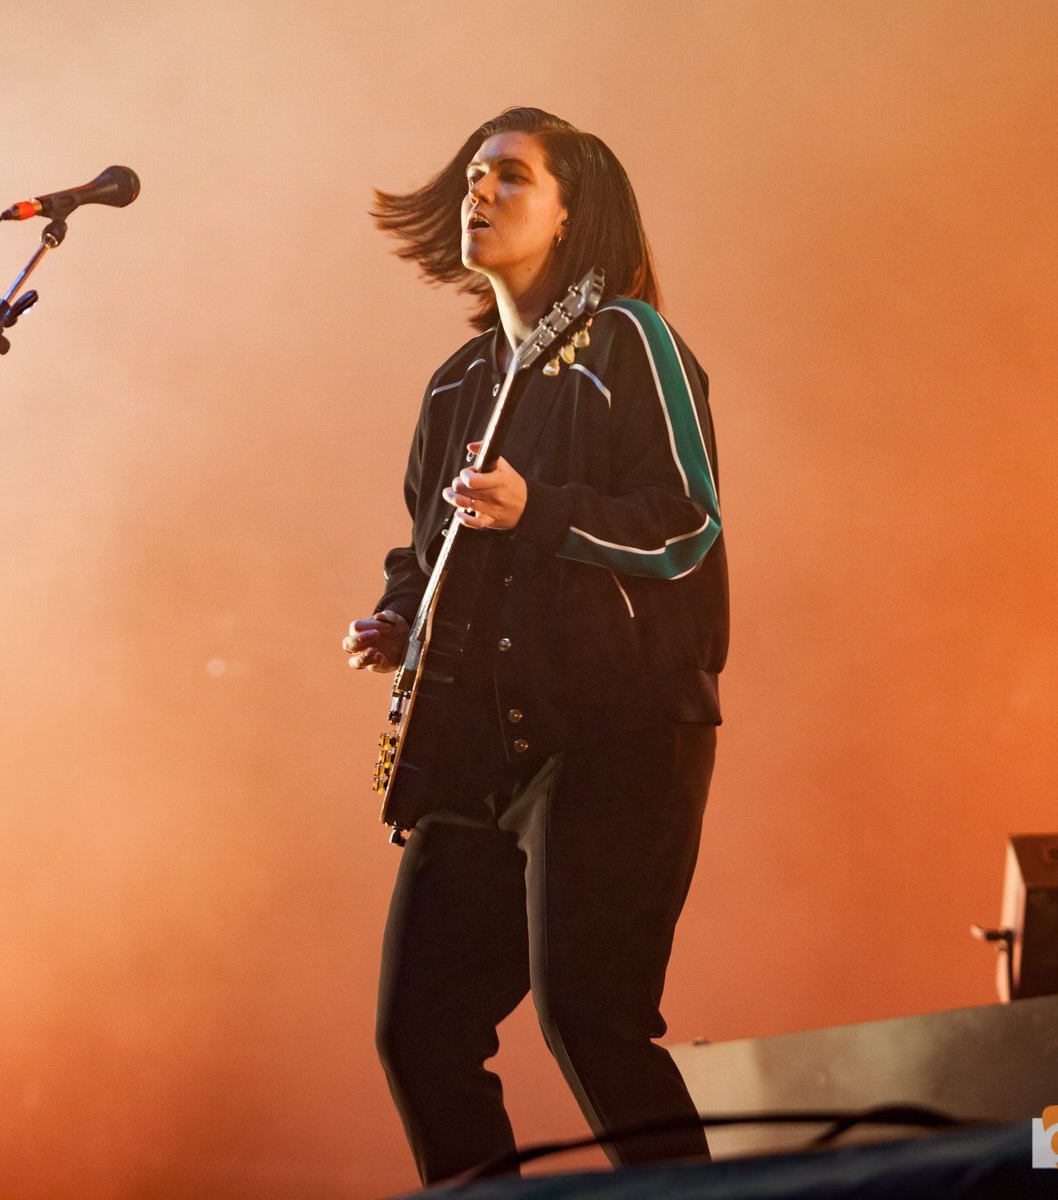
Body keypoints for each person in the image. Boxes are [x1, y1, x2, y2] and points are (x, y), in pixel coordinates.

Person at [342, 106, 728, 1186]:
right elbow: (424, 546)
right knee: (419, 1034)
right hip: (480, 749)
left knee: (594, 1019)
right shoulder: (456, 384)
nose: (479, 191)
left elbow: (687, 523)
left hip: (617, 736)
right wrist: (398, 613)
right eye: (474, 174)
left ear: (570, 213)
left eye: (510, 175)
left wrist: (540, 510)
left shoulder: (630, 343)